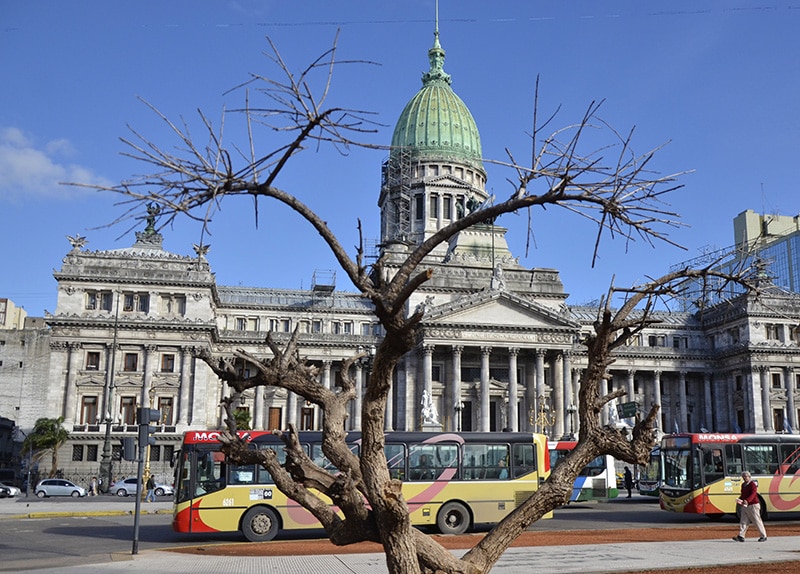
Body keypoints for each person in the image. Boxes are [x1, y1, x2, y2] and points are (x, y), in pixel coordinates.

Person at [733, 471, 767, 542]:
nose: (745, 478)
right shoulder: (743, 485)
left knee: (757, 521)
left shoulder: (752, 485)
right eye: (743, 476)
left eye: (746, 476)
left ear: (749, 477)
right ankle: (741, 536)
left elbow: (753, 494)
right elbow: (743, 494)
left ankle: (763, 536)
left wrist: (747, 500)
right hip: (745, 506)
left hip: (753, 505)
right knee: (743, 521)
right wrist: (741, 500)